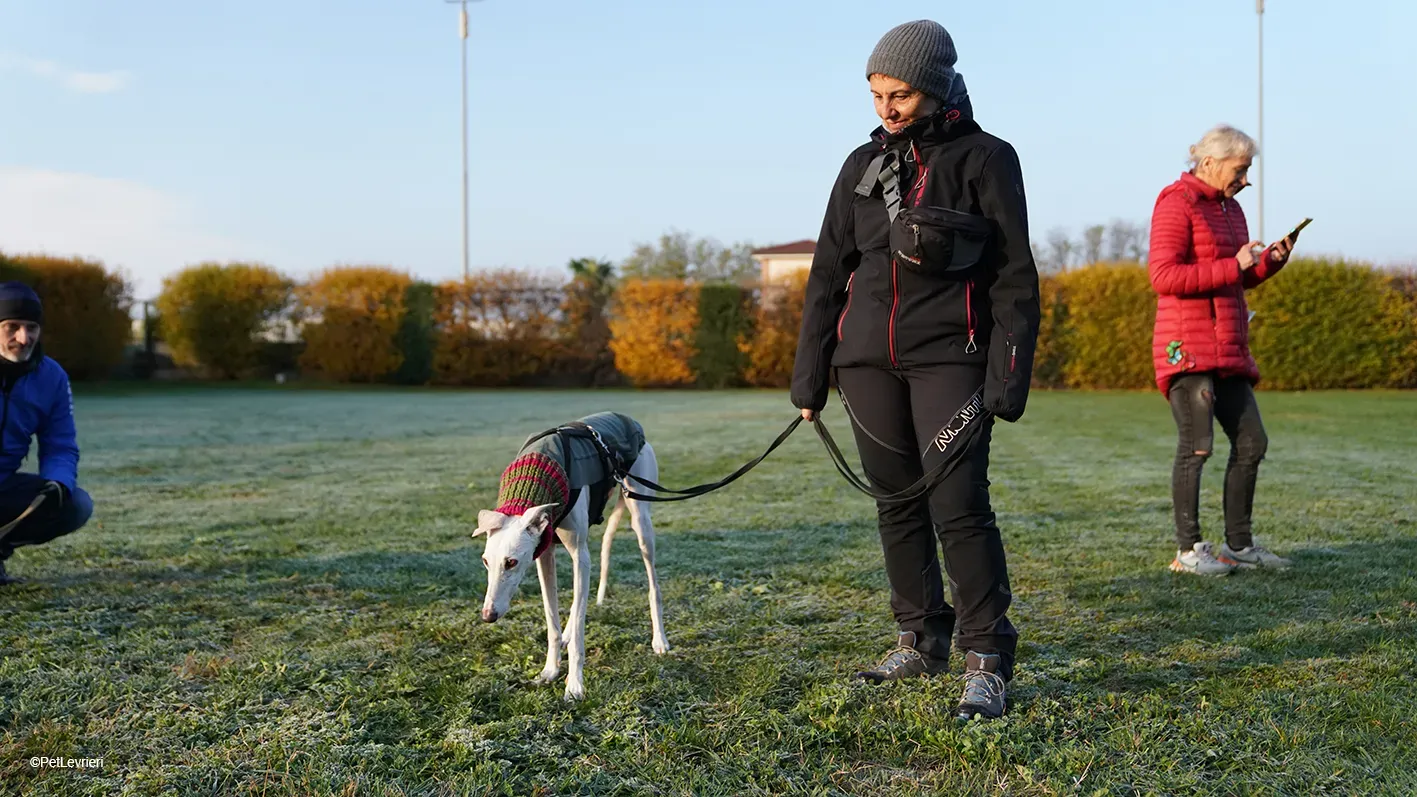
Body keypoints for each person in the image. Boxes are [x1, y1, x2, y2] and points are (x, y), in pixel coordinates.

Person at [791, 20, 1040, 721]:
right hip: (864, 362)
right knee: (895, 504)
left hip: (949, 360)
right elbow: (825, 276)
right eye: (875, 95)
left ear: (934, 86)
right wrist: (809, 374)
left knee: (958, 506)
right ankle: (919, 636)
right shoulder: (857, 167)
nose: (886, 108)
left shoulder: (989, 159)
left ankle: (985, 656)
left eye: (898, 93)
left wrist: (1006, 375)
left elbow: (1014, 279)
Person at [1147, 124, 1296, 576]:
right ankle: (1188, 552)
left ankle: (1239, 546)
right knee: (1197, 447)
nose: (1247, 180)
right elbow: (1164, 276)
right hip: (1187, 350)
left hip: (1227, 348)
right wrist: (1234, 264)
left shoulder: (1232, 210)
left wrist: (1268, 262)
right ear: (1210, 163)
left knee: (1252, 442)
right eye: (1241, 169)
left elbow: (1237, 275)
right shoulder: (1176, 202)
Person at [0, 282, 93, 586]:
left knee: (75, 504)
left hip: (4, 483)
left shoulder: (51, 377)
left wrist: (58, 483)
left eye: (32, 327)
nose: (23, 338)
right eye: (12, 327)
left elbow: (60, 444)